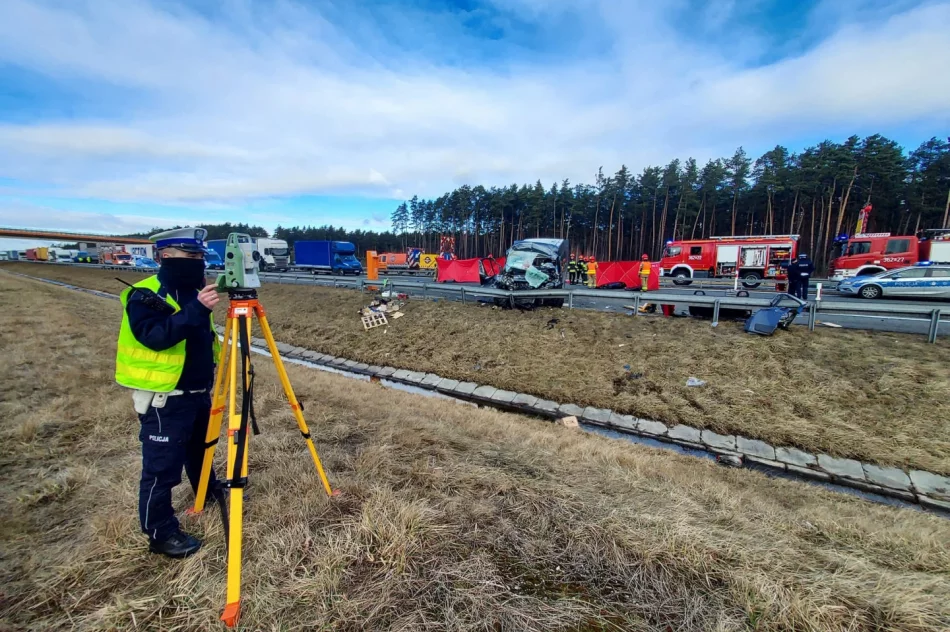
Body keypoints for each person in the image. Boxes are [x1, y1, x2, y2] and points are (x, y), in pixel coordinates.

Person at [115, 227, 222, 559]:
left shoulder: (194, 291)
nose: (197, 262)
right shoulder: (146, 294)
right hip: (165, 399)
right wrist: (197, 309)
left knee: (201, 451)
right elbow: (156, 337)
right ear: (164, 255)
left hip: (198, 392)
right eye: (189, 256)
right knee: (162, 470)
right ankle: (160, 532)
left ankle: (206, 488)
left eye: (200, 257)